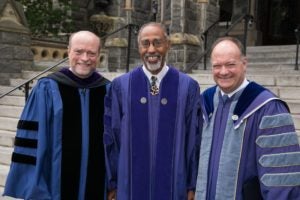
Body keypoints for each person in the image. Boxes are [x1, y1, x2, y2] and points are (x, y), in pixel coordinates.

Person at [3, 31, 110, 199]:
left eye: (91, 53)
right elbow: (31, 141)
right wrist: (36, 186)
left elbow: (116, 143)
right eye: (79, 51)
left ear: (98, 55)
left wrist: (114, 182)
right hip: (54, 186)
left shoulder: (108, 90)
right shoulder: (46, 88)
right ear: (68, 51)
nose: (85, 58)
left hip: (98, 183)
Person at [104, 22, 202, 200]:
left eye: (157, 43)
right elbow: (112, 138)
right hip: (130, 186)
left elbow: (193, 140)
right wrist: (112, 183)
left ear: (168, 45)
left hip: (174, 186)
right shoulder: (121, 86)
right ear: (138, 46)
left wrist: (192, 184)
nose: (151, 50)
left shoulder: (187, 87)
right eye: (145, 43)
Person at [195, 36, 300, 200]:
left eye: (230, 64)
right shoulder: (205, 102)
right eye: (217, 66)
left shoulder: (268, 108)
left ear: (244, 64)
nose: (223, 71)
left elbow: (281, 178)